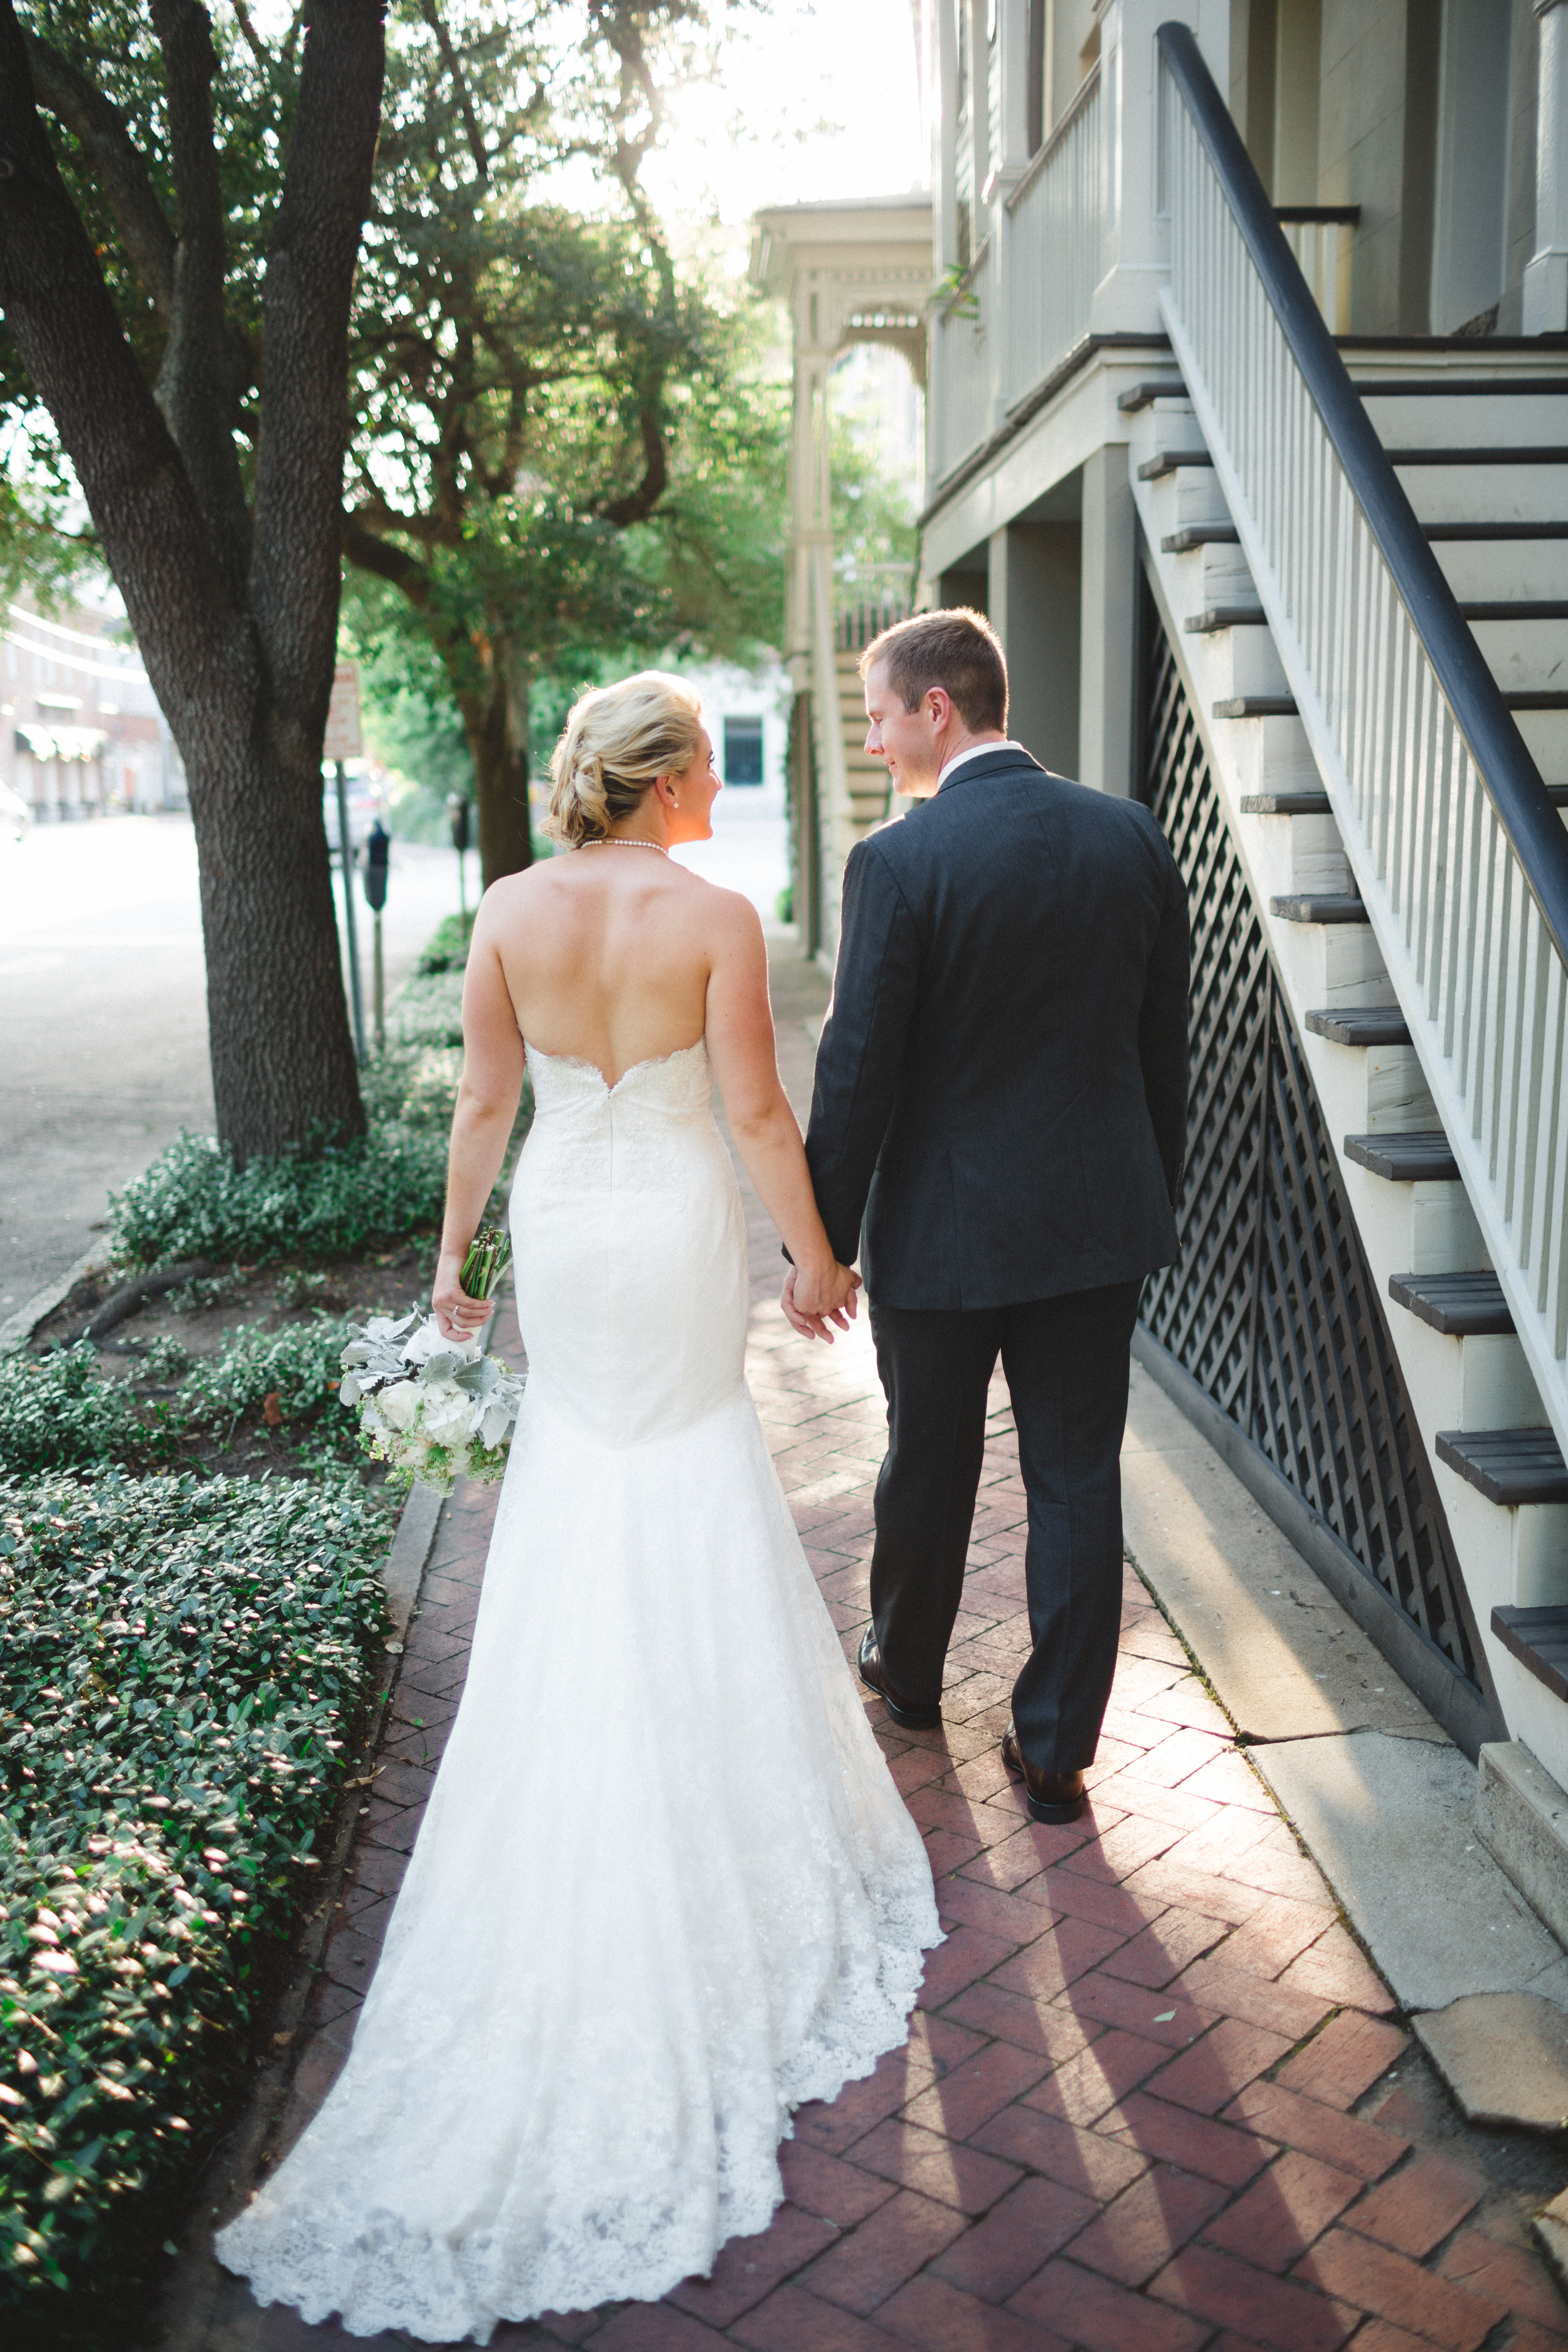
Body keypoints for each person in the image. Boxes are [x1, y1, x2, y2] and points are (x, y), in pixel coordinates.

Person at [215, 672, 941, 2343]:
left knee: (582, 1459)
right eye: (703, 763)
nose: (709, 788)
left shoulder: (508, 910)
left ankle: (584, 1724)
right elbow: (755, 1108)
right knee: (689, 1454)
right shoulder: (713, 913)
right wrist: (817, 1258)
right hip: (674, 1217)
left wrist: (451, 1269)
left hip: (565, 1218)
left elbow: (483, 1102)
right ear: (673, 775)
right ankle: (698, 1747)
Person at [786, 609, 1189, 1828]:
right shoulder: (1129, 836)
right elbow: (1159, 1052)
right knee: (1073, 1479)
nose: (870, 737)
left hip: (944, 1236)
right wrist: (1142, 1198)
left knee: (931, 1461)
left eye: (875, 713)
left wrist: (824, 1241)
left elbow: (858, 1068)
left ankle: (907, 1680)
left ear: (936, 710)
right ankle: (1057, 1749)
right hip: (1091, 1229)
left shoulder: (901, 861)